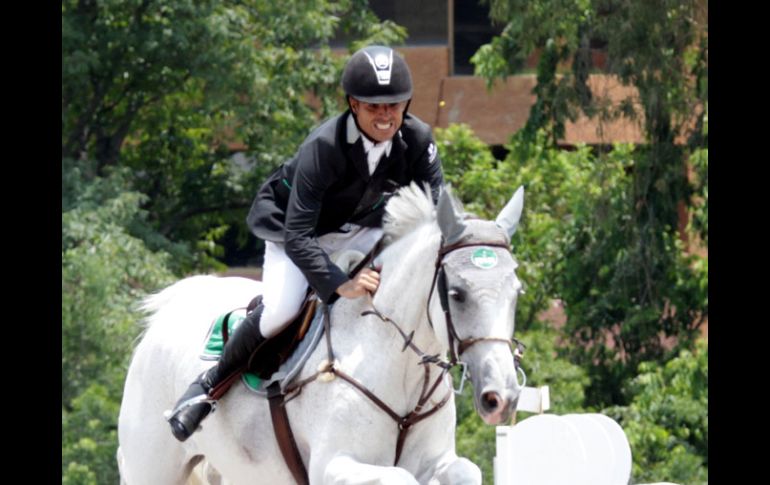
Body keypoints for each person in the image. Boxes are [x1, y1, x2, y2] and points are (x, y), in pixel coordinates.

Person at [167, 45, 444, 442]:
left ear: (406, 104)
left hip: (360, 226)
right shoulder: (325, 146)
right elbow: (298, 234)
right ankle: (207, 386)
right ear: (353, 104)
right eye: (373, 107)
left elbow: (435, 212)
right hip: (295, 229)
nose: (385, 116)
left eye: (393, 105)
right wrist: (338, 283)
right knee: (281, 310)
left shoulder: (418, 140)